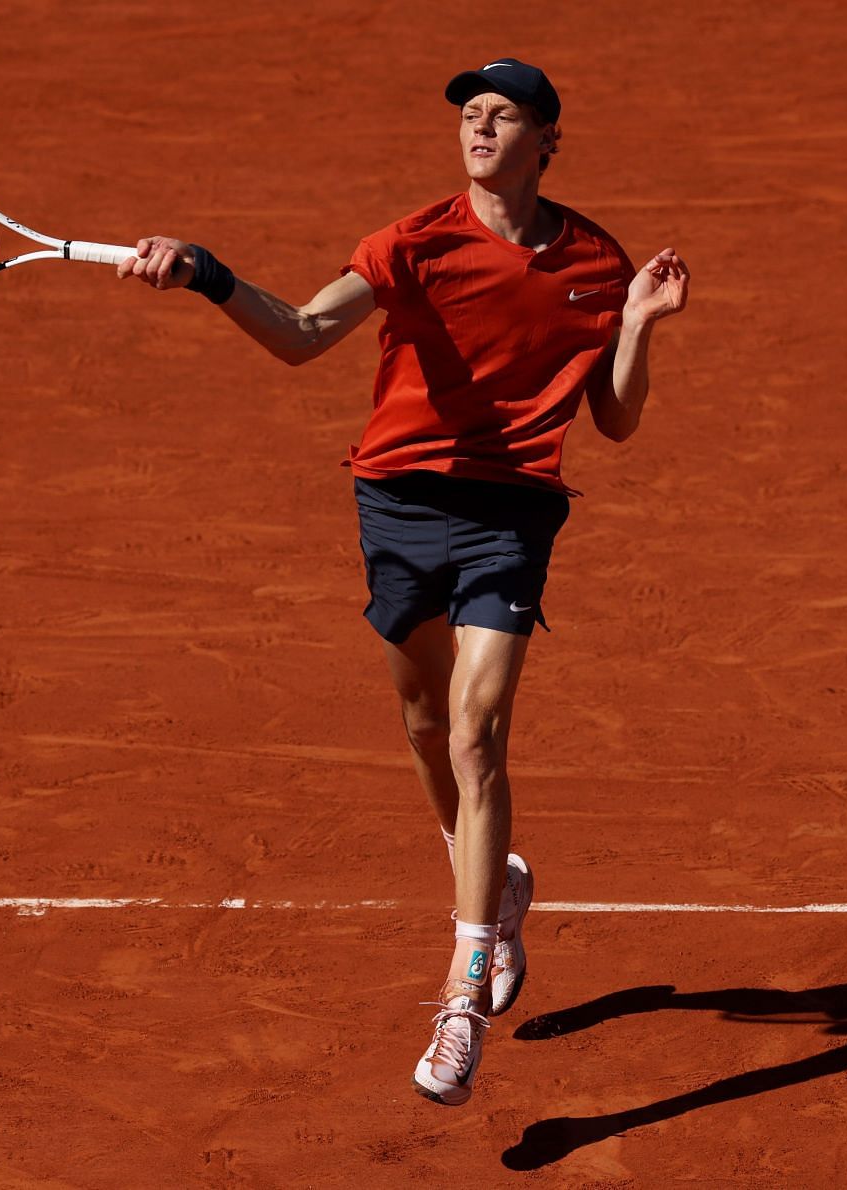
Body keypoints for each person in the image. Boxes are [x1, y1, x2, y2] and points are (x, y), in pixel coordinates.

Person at [117, 57, 690, 1107]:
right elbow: (300, 335)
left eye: (503, 113)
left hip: (512, 509)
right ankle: (499, 884)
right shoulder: (410, 243)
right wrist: (206, 273)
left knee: (477, 730)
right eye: (469, 111)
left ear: (547, 139)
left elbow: (613, 417)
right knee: (427, 723)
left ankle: (462, 993)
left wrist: (641, 325)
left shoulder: (598, 262)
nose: (479, 124)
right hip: (399, 504)